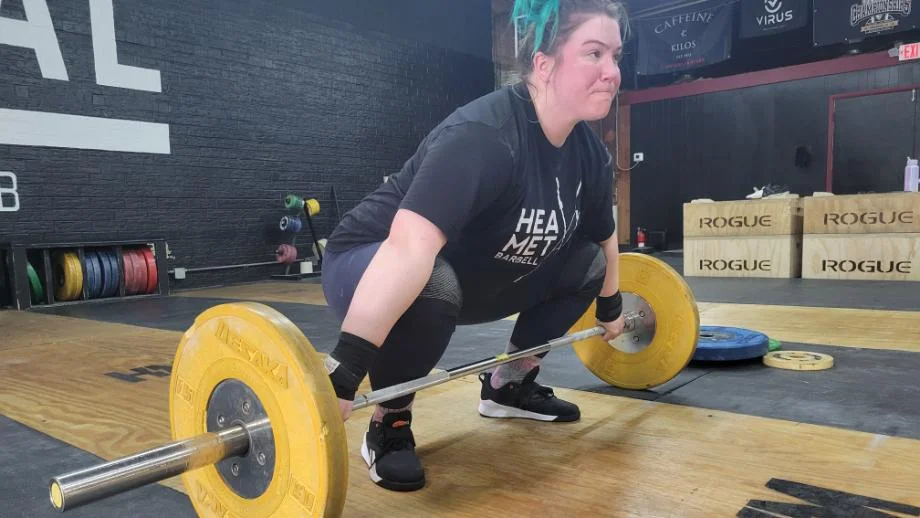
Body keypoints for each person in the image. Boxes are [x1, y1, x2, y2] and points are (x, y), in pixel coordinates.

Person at [320, 0, 628, 492]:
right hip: (371, 261)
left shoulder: (588, 154)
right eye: (594, 53)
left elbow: (603, 237)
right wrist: (343, 372)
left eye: (616, 55)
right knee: (432, 284)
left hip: (473, 274)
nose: (612, 72)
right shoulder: (485, 136)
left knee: (586, 265)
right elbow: (408, 248)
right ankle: (390, 421)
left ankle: (508, 387)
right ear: (544, 64)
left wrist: (611, 305)